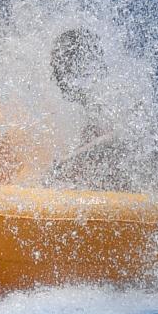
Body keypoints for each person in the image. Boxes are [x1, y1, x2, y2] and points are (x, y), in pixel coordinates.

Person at [47, 27, 147, 191]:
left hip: (144, 190)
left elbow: (120, 137)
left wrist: (64, 163)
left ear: (78, 66)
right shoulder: (88, 103)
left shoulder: (114, 94)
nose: (55, 78)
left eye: (59, 68)